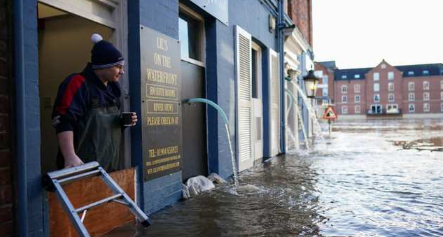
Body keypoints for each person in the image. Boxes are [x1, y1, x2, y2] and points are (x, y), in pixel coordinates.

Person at [52, 33, 137, 171]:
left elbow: (103, 125)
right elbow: (63, 120)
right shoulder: (77, 83)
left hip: (109, 167)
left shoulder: (113, 87)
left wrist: (122, 121)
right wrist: (70, 156)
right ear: (104, 66)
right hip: (80, 168)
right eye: (118, 66)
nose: (122, 72)